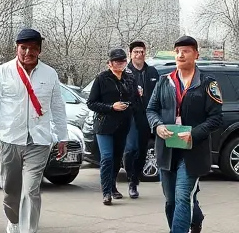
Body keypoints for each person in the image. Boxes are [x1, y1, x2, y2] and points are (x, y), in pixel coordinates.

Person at [0, 29, 68, 233]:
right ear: (16, 48)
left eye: (33, 48)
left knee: (31, 190)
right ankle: (14, 220)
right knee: (11, 189)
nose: (28, 52)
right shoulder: (3, 72)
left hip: (39, 141)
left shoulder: (50, 73)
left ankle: (28, 229)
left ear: (39, 50)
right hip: (9, 139)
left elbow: (57, 106)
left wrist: (62, 136)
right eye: (23, 48)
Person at [147, 35, 224, 233]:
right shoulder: (165, 81)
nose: (181, 55)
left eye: (186, 51)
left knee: (182, 196)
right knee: (171, 199)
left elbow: (215, 118)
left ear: (196, 54)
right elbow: (151, 110)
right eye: (178, 51)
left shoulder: (208, 83)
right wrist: (157, 125)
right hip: (167, 148)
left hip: (193, 150)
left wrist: (194, 134)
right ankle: (195, 218)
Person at [87, 48, 137, 205]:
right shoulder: (102, 78)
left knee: (117, 158)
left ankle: (113, 186)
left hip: (123, 123)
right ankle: (106, 191)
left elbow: (133, 98)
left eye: (123, 61)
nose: (120, 64)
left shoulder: (129, 78)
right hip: (105, 124)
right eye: (117, 61)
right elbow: (91, 103)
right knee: (107, 157)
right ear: (109, 63)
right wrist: (111, 107)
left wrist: (134, 99)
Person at [123, 39, 160, 197]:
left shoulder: (152, 72)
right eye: (136, 52)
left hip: (147, 115)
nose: (139, 54)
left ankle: (135, 181)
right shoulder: (125, 72)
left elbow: (158, 94)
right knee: (130, 148)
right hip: (130, 115)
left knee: (142, 149)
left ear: (145, 53)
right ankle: (130, 177)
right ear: (130, 54)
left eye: (142, 52)